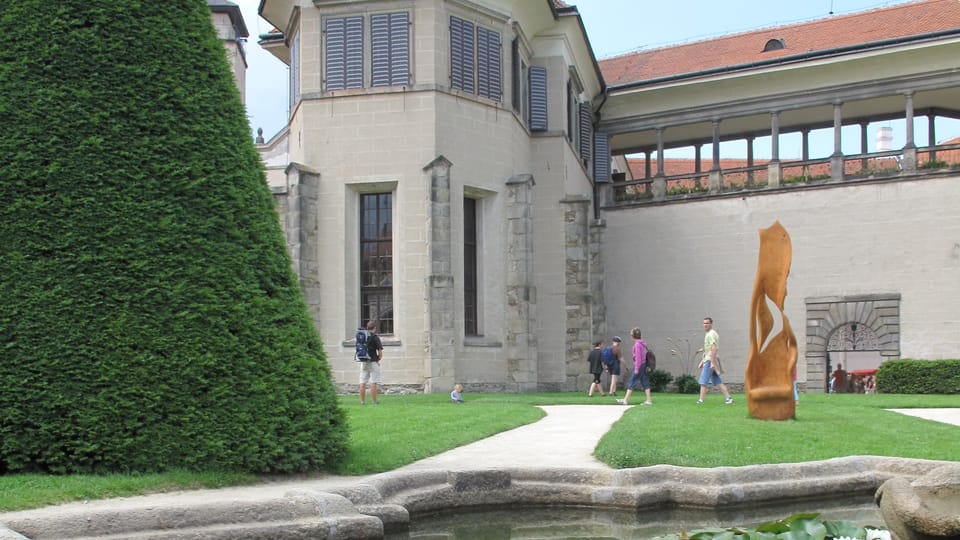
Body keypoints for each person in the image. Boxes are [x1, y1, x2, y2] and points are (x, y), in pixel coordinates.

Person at [697, 317, 733, 404]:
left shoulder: (711, 334)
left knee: (703, 381)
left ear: (711, 324)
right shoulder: (709, 333)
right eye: (704, 323)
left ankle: (701, 400)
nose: (705, 325)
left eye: (707, 323)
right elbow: (708, 350)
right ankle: (728, 398)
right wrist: (702, 362)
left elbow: (713, 349)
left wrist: (712, 363)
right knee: (717, 381)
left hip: (710, 361)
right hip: (708, 360)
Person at [619, 327, 652, 405]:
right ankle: (649, 400)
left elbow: (638, 358)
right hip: (643, 365)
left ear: (633, 336)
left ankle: (625, 400)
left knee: (632, 382)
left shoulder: (637, 345)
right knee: (645, 381)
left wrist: (637, 369)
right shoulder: (642, 343)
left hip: (639, 366)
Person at [358, 320, 383, 405]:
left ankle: (362, 401)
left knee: (362, 381)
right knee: (373, 381)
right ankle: (374, 401)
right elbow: (380, 352)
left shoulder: (362, 337)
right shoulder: (375, 337)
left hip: (364, 361)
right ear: (374, 328)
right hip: (372, 361)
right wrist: (378, 359)